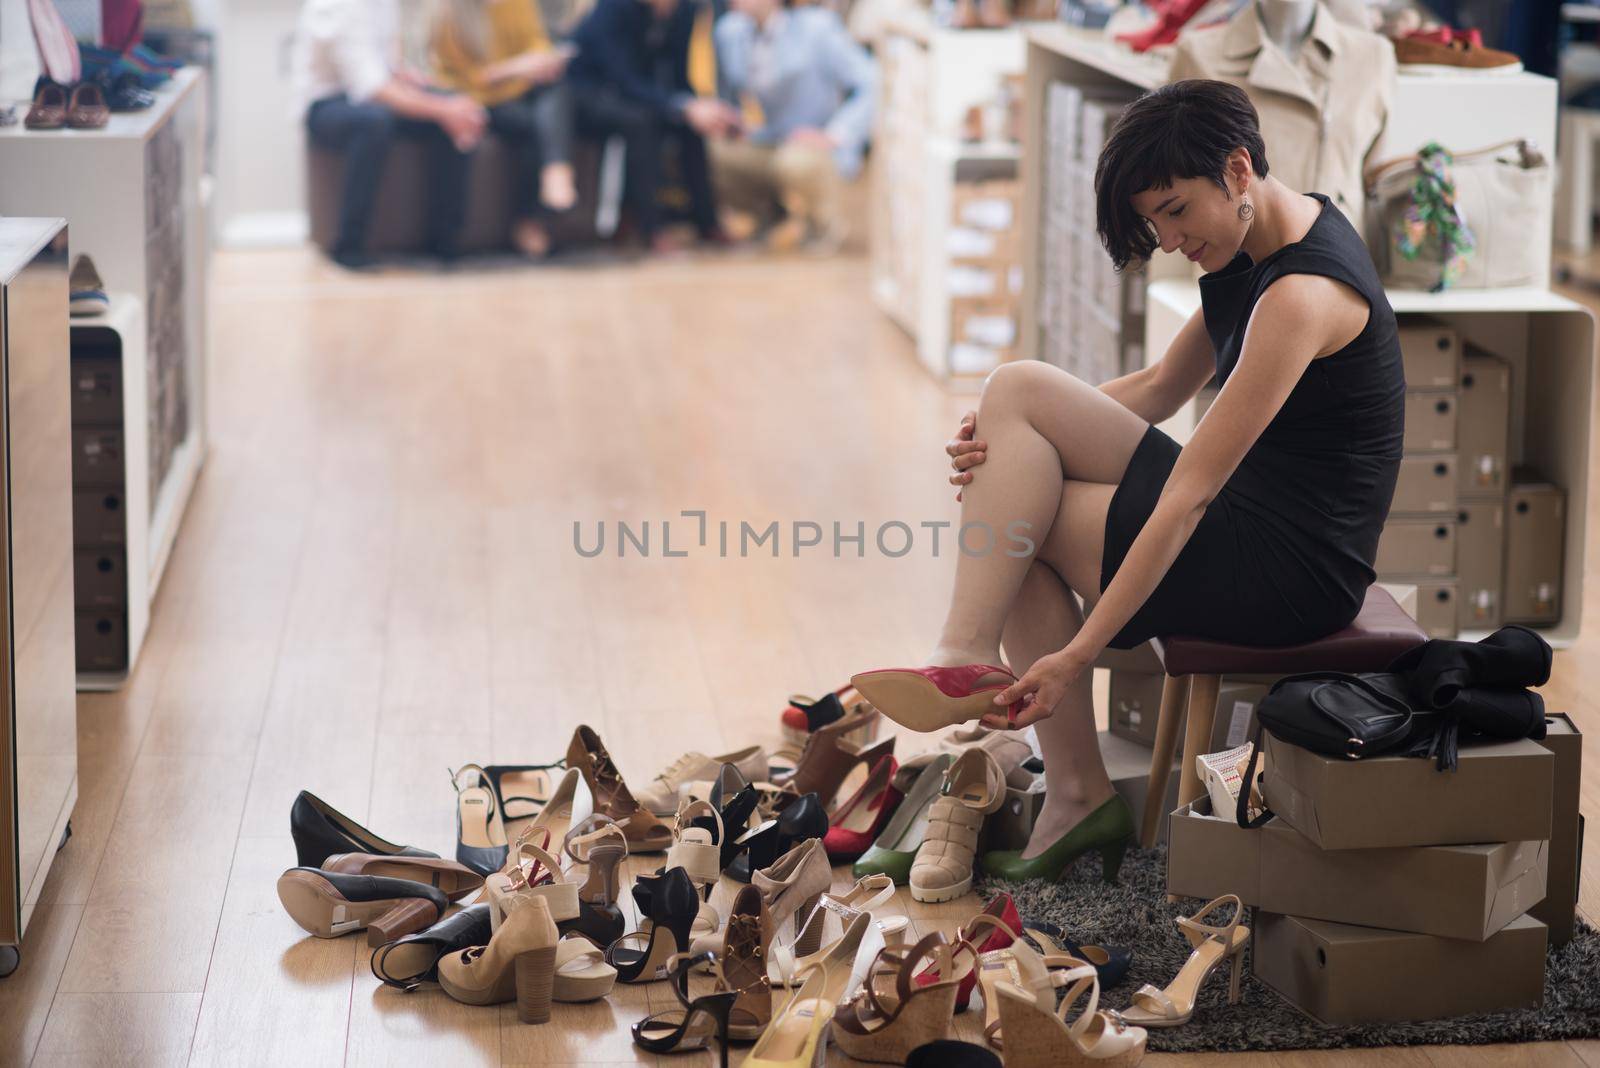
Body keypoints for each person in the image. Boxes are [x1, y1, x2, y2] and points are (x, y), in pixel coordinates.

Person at [851, 80, 1404, 882]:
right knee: (1016, 405)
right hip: (1253, 518)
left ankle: (1057, 767)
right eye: (1156, 221)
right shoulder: (1267, 239)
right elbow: (1155, 389)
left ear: (1239, 169)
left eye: (1176, 211)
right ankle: (1010, 711)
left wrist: (1076, 653)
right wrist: (1007, 445)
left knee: (1023, 505)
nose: (1170, 238)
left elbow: (1190, 496)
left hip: (1289, 568)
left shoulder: (1299, 296)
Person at [292, 0, 487, 268]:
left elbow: (385, 66)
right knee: (376, 122)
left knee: (455, 107)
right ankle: (349, 245)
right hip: (326, 104)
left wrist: (410, 79)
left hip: (372, 95)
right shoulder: (335, 5)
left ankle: (445, 243)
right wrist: (441, 109)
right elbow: (369, 87)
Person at [565, 0, 739, 250]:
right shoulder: (614, 8)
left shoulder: (685, 11)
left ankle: (707, 223)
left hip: (637, 93)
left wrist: (699, 107)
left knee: (688, 125)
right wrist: (682, 106)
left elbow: (680, 75)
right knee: (643, 121)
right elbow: (622, 77)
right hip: (590, 92)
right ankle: (651, 228)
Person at [711, 0, 876, 251]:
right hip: (772, 137)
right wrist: (737, 123)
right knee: (714, 153)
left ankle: (821, 223)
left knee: (796, 161)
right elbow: (735, 90)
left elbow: (871, 81)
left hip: (815, 142)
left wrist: (836, 134)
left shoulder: (817, 27)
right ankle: (769, 214)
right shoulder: (730, 32)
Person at [432, 0, 578, 258]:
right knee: (537, 122)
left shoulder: (518, 3)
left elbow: (537, 41)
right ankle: (536, 209)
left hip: (515, 91)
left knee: (555, 94)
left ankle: (555, 171)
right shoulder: (449, 12)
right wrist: (514, 68)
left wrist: (540, 61)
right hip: (473, 96)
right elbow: (467, 77)